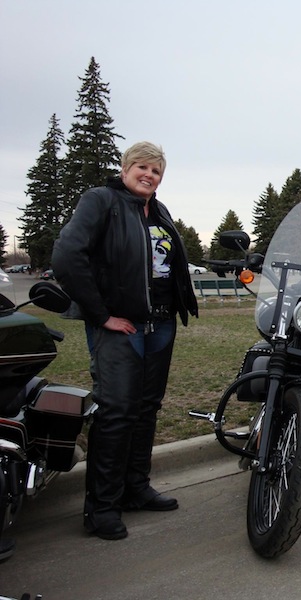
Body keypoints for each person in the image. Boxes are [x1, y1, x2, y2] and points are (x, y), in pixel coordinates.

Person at [52, 141, 199, 541]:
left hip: (161, 325)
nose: (149, 175)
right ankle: (101, 508)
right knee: (116, 412)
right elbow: (67, 257)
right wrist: (101, 315)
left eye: (156, 171)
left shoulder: (159, 211)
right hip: (120, 326)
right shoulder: (101, 201)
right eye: (142, 167)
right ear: (125, 167)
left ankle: (136, 487)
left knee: (146, 409)